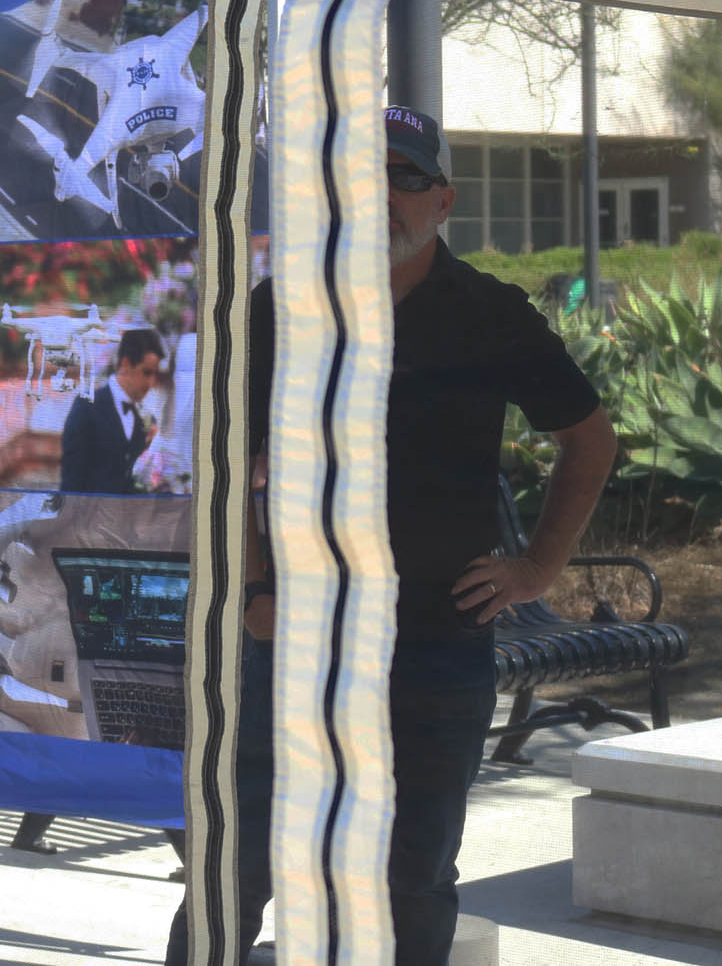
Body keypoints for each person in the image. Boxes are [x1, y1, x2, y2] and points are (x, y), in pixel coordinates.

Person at [164, 106, 617, 966]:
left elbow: (589, 441)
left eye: (404, 177)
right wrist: (255, 591)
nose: (381, 196)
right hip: (295, 639)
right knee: (238, 867)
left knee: (412, 878)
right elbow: (219, 459)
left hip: (437, 642)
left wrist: (537, 567)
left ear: (443, 200)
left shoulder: (490, 313)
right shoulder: (280, 308)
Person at [59, 328, 165, 494]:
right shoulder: (87, 406)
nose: (151, 383)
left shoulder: (148, 420)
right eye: (146, 372)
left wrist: (155, 448)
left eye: (155, 374)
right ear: (126, 364)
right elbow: (71, 482)